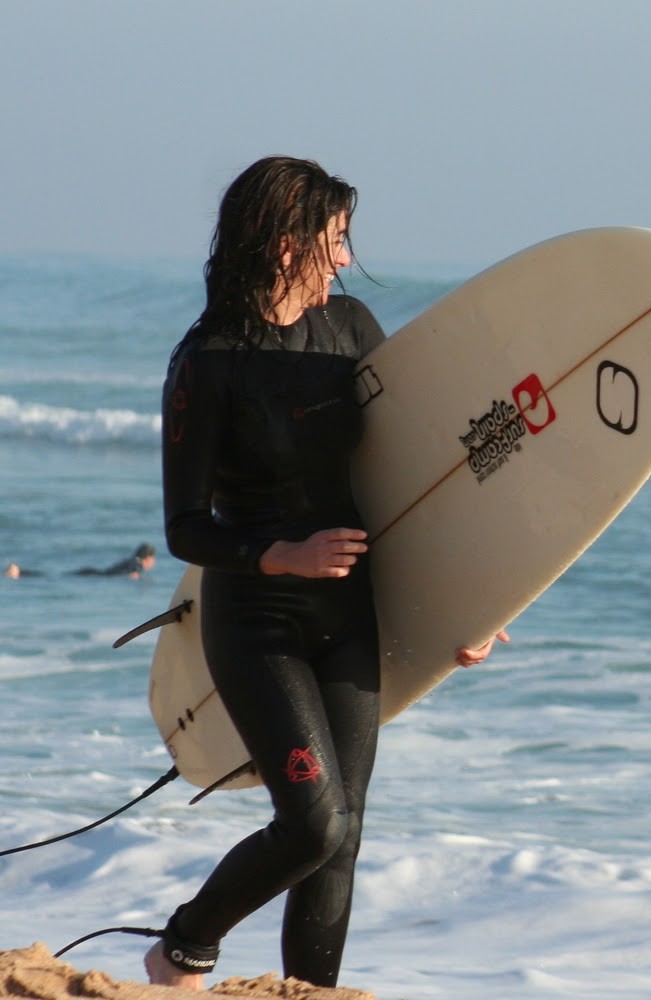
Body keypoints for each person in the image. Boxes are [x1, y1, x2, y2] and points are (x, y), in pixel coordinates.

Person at [147, 156, 505, 991]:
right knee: (313, 823)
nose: (345, 260)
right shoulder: (207, 363)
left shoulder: (350, 331)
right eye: (334, 240)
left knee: (345, 837)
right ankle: (184, 949)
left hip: (347, 617)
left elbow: (424, 477)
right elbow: (184, 527)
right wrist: (284, 555)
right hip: (259, 618)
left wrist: (477, 600)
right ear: (284, 245)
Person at [71, 543, 158, 579]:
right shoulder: (138, 565)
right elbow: (132, 576)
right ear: (148, 558)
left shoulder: (131, 561)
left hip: (98, 573)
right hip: (102, 576)